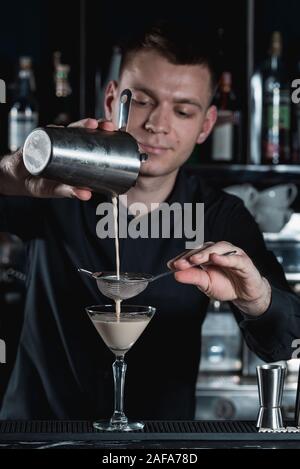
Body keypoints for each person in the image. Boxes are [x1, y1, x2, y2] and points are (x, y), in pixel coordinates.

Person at [0, 21, 300, 420]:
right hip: (37, 436)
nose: (158, 123)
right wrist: (11, 171)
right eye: (141, 101)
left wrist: (256, 297)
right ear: (110, 101)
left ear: (205, 125)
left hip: (161, 442)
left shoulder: (220, 217)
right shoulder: (52, 189)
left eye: (182, 110)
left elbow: (284, 344)